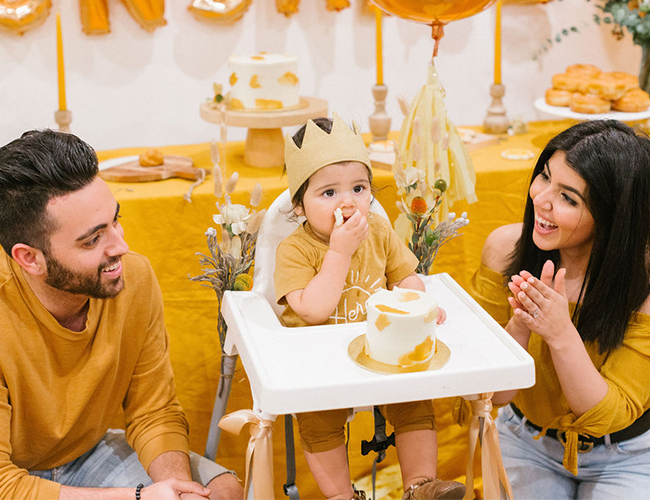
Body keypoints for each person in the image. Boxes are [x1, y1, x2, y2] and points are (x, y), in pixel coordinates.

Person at [0, 129, 244, 500]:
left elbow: (154, 410)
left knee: (221, 491)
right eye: (93, 239)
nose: (121, 246)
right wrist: (139, 497)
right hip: (12, 476)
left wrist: (178, 490)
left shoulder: (135, 277)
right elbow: (5, 484)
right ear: (29, 258)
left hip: (85, 455)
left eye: (115, 220)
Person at [273, 113, 465, 500]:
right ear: (299, 206)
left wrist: (420, 305)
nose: (348, 201)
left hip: (380, 350)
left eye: (359, 188)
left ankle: (420, 486)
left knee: (413, 397)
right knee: (317, 416)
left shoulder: (378, 230)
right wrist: (340, 252)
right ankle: (343, 495)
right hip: (319, 362)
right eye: (328, 193)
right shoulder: (294, 250)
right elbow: (312, 311)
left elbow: (406, 277)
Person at [470, 119, 650, 499]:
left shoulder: (644, 284)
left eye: (568, 197)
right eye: (544, 177)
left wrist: (559, 332)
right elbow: (485, 394)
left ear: (613, 216)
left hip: (629, 453)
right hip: (528, 440)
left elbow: (608, 415)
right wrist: (520, 326)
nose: (541, 199)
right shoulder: (505, 250)